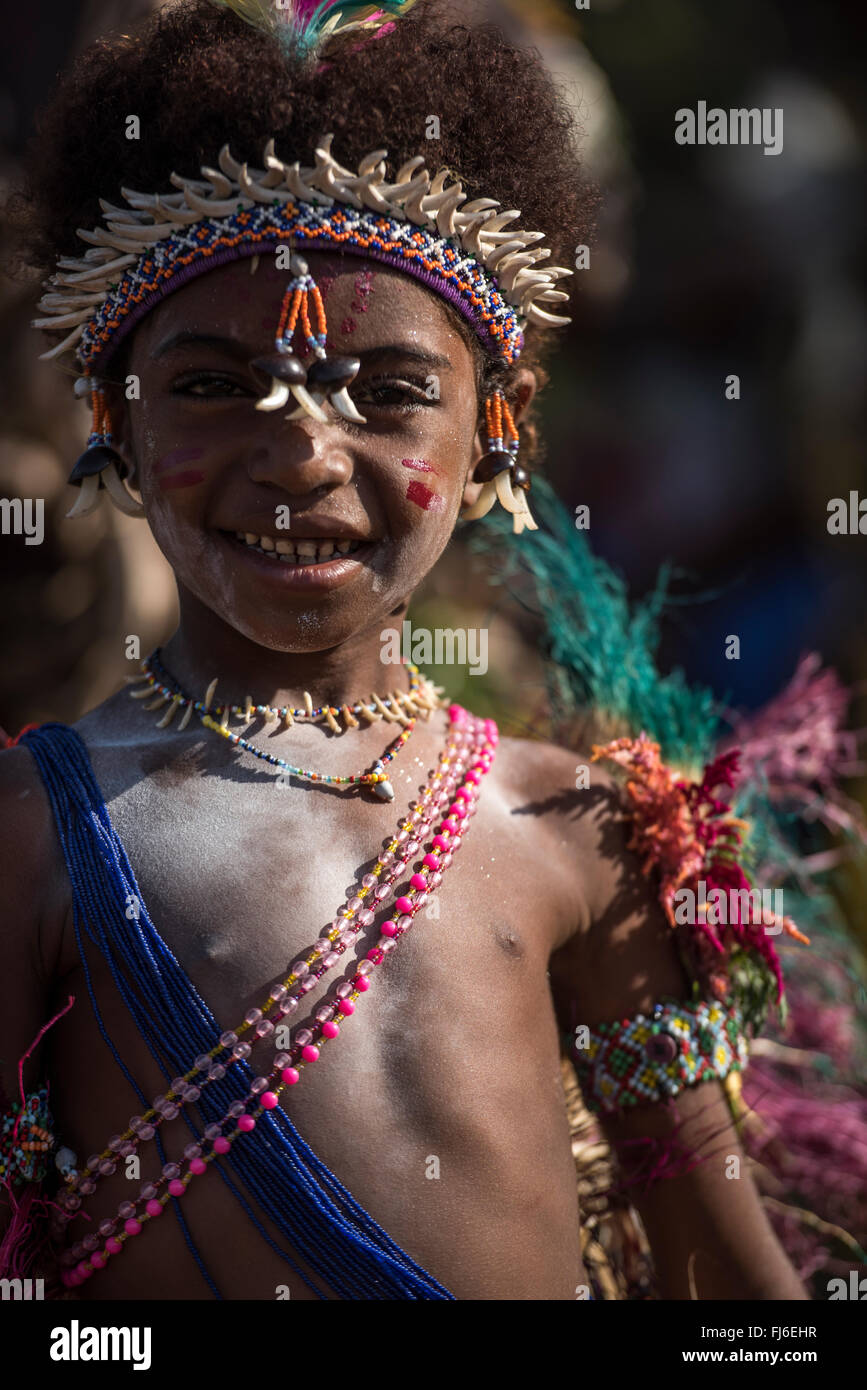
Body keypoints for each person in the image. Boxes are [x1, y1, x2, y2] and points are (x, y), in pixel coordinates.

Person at [0, 0, 809, 1300]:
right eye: (211, 384)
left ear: (499, 427)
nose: (305, 453)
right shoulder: (38, 830)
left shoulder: (580, 830)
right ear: (110, 416)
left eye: (387, 392)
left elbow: (727, 1274)